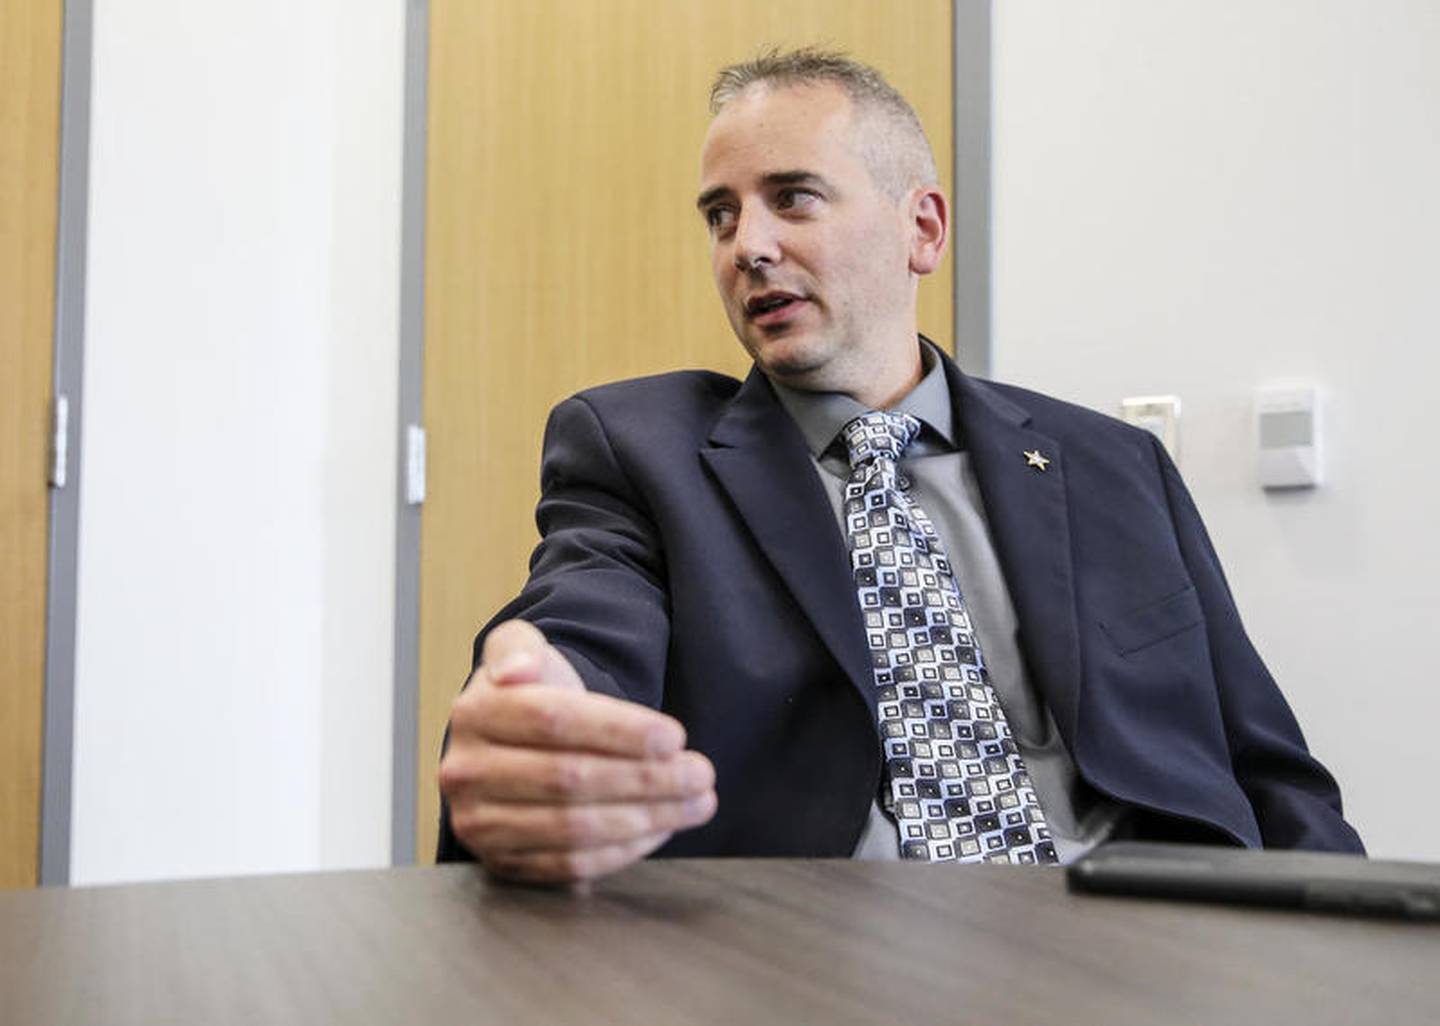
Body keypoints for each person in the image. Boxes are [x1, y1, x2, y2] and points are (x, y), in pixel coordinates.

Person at [436, 49, 1363, 884]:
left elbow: (1270, 771)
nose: (746, 246)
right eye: (721, 215)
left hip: (1150, 936)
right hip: (819, 954)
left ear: (922, 229)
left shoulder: (1115, 465)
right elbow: (582, 630)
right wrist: (535, 693)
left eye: (792, 197)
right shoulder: (642, 448)